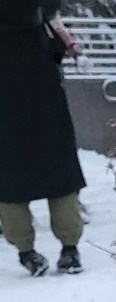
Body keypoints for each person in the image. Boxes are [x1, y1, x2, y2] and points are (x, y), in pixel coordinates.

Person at [0, 2, 85, 276]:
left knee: (10, 184)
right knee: (59, 176)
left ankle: (27, 252)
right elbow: (61, 49)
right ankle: (70, 250)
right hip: (46, 109)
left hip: (5, 119)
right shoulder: (38, 14)